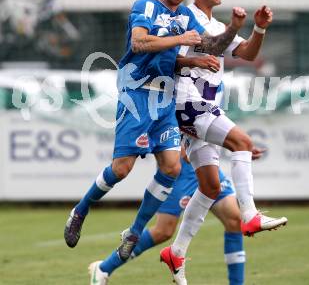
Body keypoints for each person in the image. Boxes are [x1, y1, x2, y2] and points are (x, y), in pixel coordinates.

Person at [64, 0, 246, 279]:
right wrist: (181, 43)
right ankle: (80, 209)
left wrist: (233, 28)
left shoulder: (185, 18)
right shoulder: (145, 6)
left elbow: (212, 45)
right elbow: (139, 44)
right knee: (122, 169)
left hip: (164, 101)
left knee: (173, 166)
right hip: (137, 94)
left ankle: (133, 232)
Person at [160, 0, 287, 283]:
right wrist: (232, 27)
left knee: (211, 186)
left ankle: (176, 253)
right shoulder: (186, 17)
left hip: (201, 105)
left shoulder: (213, 23)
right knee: (241, 142)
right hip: (187, 102)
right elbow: (209, 47)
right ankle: (250, 215)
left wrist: (259, 28)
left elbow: (244, 52)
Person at [88, 79, 263, 285]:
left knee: (234, 219)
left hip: (207, 167)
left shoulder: (217, 79)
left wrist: (238, 146)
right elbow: (170, 112)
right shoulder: (185, 73)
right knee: (164, 231)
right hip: (182, 168)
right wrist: (180, 143)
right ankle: (103, 268)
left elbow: (212, 125)